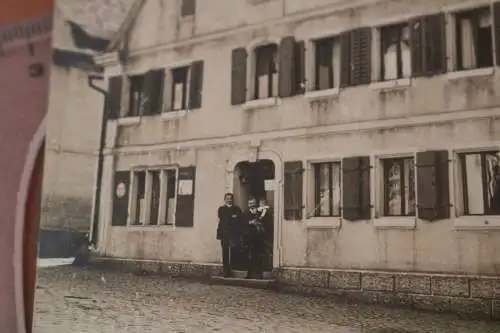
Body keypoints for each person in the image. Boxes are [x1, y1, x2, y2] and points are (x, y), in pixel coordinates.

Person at [216, 193, 243, 277]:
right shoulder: (221, 209)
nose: (229, 200)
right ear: (225, 199)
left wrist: (233, 218)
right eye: (227, 198)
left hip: (234, 234)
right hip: (224, 233)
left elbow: (238, 219)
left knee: (234, 250)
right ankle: (226, 271)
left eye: (230, 198)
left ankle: (233, 269)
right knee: (225, 252)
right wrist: (232, 217)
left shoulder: (236, 209)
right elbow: (223, 220)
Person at [245, 198, 266, 279]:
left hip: (259, 237)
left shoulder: (260, 212)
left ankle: (259, 274)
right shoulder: (245, 214)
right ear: (248, 205)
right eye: (250, 203)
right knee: (249, 256)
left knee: (259, 255)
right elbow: (242, 224)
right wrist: (250, 223)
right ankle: (249, 274)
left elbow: (265, 222)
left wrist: (259, 223)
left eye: (253, 203)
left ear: (256, 204)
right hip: (249, 238)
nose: (252, 205)